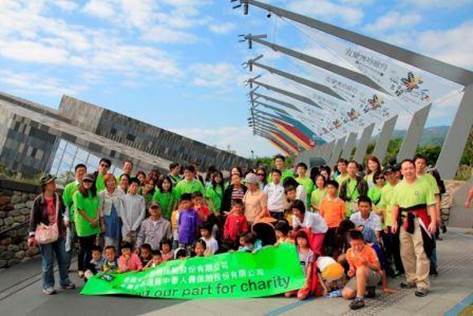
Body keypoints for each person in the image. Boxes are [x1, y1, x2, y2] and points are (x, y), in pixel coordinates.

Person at [392, 159, 437, 297]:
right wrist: (394, 221)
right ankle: (411, 278)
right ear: (401, 171)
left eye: (410, 167)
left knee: (421, 252)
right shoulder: (398, 187)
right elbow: (395, 205)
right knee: (405, 251)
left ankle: (422, 283)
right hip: (404, 220)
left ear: (414, 168)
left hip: (420, 219)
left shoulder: (425, 184)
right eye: (405, 169)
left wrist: (433, 221)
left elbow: (431, 204)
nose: (408, 171)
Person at [28, 175, 75, 295]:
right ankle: (48, 285)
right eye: (51, 182)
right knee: (48, 261)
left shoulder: (58, 197)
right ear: (45, 186)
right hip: (45, 235)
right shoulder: (38, 201)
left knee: (64, 258)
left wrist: (65, 218)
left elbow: (65, 210)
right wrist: (31, 236)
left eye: (54, 182)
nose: (54, 184)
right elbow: (33, 219)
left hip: (58, 233)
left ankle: (64, 281)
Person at [342, 230, 382, 310]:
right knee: (346, 294)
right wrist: (351, 271)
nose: (357, 247)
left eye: (360, 244)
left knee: (361, 269)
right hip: (359, 276)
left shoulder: (370, 250)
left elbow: (378, 267)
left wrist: (367, 264)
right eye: (354, 245)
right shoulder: (349, 252)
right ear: (349, 243)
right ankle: (367, 290)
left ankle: (360, 299)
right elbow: (352, 267)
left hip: (374, 275)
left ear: (363, 241)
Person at [73, 173, 100, 278]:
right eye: (85, 181)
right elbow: (80, 210)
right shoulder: (77, 194)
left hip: (94, 224)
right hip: (84, 225)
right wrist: (91, 221)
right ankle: (81, 268)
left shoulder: (94, 194)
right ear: (82, 182)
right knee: (82, 248)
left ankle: (88, 267)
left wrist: (96, 219)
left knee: (90, 248)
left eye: (89, 181)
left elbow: (98, 207)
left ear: (93, 183)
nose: (87, 183)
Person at [378, 166, 404, 277]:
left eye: (390, 174)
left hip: (402, 219)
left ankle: (403, 268)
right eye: (386, 175)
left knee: (401, 246)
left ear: (396, 173)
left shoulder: (403, 185)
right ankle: (396, 268)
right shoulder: (384, 189)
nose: (389, 177)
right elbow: (383, 207)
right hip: (388, 221)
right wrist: (383, 223)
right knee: (391, 246)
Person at [63, 163, 87, 271]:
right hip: (73, 220)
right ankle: (65, 267)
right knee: (70, 243)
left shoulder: (88, 186)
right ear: (75, 172)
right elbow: (65, 204)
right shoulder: (69, 187)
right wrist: (66, 217)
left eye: (83, 171)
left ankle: (82, 267)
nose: (81, 173)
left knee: (83, 245)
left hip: (85, 222)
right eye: (79, 171)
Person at [285, 230, 315, 300]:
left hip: (305, 279)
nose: (300, 241)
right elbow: (283, 247)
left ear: (307, 239)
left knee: (301, 297)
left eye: (303, 239)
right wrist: (277, 245)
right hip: (296, 278)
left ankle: (302, 291)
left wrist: (307, 280)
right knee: (287, 294)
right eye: (298, 239)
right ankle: (297, 291)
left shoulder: (310, 253)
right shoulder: (294, 249)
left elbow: (309, 267)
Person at [319, 180, 346, 257]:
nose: (330, 190)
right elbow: (321, 216)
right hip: (326, 228)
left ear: (337, 189)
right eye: (328, 188)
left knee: (337, 248)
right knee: (327, 247)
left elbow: (343, 217)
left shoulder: (341, 202)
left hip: (337, 228)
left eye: (332, 188)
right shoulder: (323, 201)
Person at [99, 173, 124, 251]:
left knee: (117, 241)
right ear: (105, 183)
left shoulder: (120, 192)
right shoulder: (102, 193)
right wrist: (102, 223)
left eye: (113, 180)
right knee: (108, 241)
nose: (111, 182)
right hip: (107, 220)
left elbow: (124, 205)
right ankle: (107, 260)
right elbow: (99, 209)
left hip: (118, 219)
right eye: (109, 181)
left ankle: (115, 259)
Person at [121, 177, 146, 244]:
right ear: (129, 186)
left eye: (136, 186)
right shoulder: (123, 198)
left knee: (135, 248)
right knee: (126, 248)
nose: (134, 188)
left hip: (137, 228)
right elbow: (122, 214)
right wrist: (128, 228)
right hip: (126, 228)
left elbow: (142, 214)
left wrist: (134, 227)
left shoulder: (141, 198)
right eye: (133, 186)